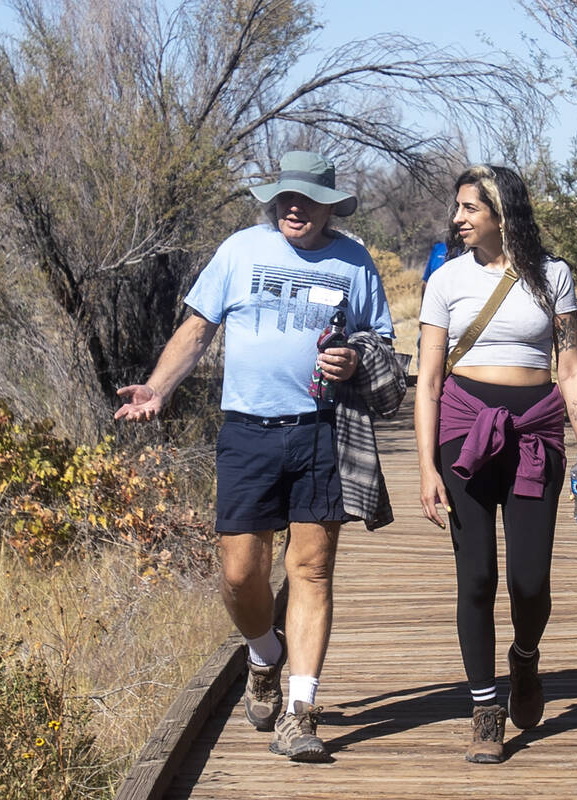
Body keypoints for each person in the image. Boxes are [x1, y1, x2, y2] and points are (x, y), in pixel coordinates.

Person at [115, 151, 395, 763]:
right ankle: (264, 654)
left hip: (322, 432)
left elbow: (380, 340)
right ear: (274, 202)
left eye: (307, 199)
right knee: (242, 575)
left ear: (328, 205)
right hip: (248, 433)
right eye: (284, 198)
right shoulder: (241, 251)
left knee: (312, 572)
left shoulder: (354, 261)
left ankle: (301, 711)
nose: (294, 207)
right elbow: (197, 329)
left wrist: (355, 358)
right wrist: (158, 388)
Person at [415, 165, 577, 764]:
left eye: (470, 208)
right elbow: (426, 382)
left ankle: (524, 659)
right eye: (458, 208)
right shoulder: (445, 280)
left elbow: (571, 369)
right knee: (475, 577)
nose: (458, 218)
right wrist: (426, 468)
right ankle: (484, 709)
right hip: (463, 429)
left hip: (535, 432)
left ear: (502, 212)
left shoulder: (554, 276)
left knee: (530, 580)